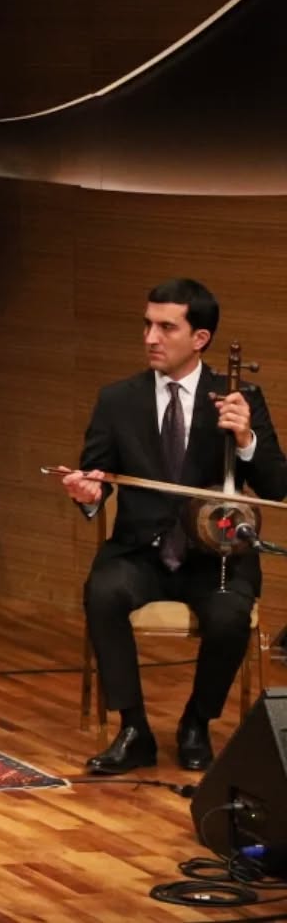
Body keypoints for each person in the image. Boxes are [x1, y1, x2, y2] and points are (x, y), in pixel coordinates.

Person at [62, 279, 287, 774]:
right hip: (141, 551)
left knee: (230, 616)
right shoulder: (117, 399)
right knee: (102, 592)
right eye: (147, 324)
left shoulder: (238, 395)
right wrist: (89, 494)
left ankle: (195, 723)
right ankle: (134, 729)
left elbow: (276, 482)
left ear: (200, 338)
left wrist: (246, 437)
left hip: (217, 555)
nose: (150, 337)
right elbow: (96, 475)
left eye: (166, 327)